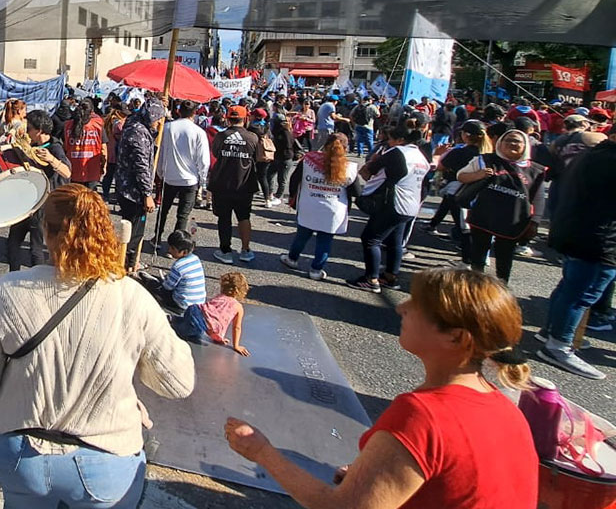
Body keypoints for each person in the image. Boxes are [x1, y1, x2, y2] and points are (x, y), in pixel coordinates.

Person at [0, 184, 196, 509]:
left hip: (21, 453)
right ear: (106, 231)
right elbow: (178, 383)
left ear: (46, 232)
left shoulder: (8, 291)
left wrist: (22, 392)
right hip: (107, 458)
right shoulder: (132, 297)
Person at [226, 268, 538, 509]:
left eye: (418, 306)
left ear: (457, 338)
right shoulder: (506, 410)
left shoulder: (423, 416)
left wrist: (262, 452)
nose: (402, 307)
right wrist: (371, 476)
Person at [538, 122, 616, 380]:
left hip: (578, 232)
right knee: (582, 294)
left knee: (569, 287)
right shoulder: (608, 159)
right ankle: (558, 345)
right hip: (598, 239)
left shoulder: (592, 154)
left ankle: (552, 333)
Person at [348, 119, 431, 293]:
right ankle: (390, 276)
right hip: (411, 203)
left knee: (371, 239)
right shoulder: (420, 155)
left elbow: (368, 170)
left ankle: (371, 279)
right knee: (395, 242)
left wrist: (374, 163)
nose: (388, 143)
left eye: (390, 139)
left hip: (392, 202)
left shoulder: (397, 152)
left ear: (400, 140)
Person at [456, 129, 545, 285]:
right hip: (483, 216)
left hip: (513, 220)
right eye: (508, 140)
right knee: (478, 254)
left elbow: (538, 199)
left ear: (525, 145)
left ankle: (501, 288)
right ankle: (477, 286)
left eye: (517, 141)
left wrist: (535, 221)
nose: (512, 143)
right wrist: (478, 175)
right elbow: (461, 176)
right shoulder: (485, 160)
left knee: (505, 257)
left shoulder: (535, 170)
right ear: (499, 143)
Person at [280, 132, 360, 281]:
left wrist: (292, 196)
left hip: (309, 204)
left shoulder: (309, 160)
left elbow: (294, 179)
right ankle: (316, 270)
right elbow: (356, 191)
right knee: (325, 240)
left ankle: (292, 259)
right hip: (334, 208)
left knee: (302, 235)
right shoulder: (349, 167)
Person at [6, 109, 72, 271]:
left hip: (42, 204)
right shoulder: (32, 144)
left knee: (36, 248)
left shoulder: (54, 147)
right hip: (25, 201)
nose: (27, 132)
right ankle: (12, 276)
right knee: (12, 243)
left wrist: (51, 160)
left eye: (30, 129)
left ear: (40, 130)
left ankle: (37, 283)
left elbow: (67, 172)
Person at [422, 120, 490, 256]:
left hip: (458, 190)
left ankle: (468, 258)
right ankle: (480, 255)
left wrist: (438, 154)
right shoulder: (489, 153)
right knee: (477, 226)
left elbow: (440, 166)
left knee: (463, 226)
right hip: (481, 192)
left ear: (465, 135)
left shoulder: (459, 151)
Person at [115, 99, 165, 269]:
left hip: (127, 185)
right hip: (133, 189)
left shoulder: (135, 123)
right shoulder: (138, 132)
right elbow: (141, 165)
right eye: (157, 118)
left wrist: (160, 102)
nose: (159, 122)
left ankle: (129, 262)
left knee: (132, 229)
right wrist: (147, 194)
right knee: (133, 232)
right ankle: (121, 263)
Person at [208, 105, 260, 264]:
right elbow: (256, 157)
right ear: (245, 119)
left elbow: (216, 153)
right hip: (244, 183)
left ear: (228, 118)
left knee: (224, 218)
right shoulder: (252, 137)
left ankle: (225, 250)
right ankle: (245, 250)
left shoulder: (220, 136)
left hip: (222, 183)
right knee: (244, 217)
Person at [153, 100, 210, 244]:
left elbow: (160, 152)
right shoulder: (199, 132)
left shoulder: (167, 128)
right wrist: (202, 180)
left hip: (169, 176)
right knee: (183, 215)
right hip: (190, 179)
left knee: (163, 210)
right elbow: (203, 160)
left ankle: (157, 237)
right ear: (195, 113)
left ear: (179, 111)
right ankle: (176, 244)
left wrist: (160, 172)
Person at [199, 272, 250, 356]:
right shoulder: (238, 307)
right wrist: (236, 345)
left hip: (199, 316)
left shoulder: (219, 297)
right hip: (211, 328)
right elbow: (236, 327)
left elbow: (210, 314)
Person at [64, 99, 106, 188]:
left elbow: (64, 146)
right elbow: (103, 148)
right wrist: (104, 165)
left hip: (72, 168)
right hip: (92, 168)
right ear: (91, 112)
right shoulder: (98, 124)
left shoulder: (67, 125)